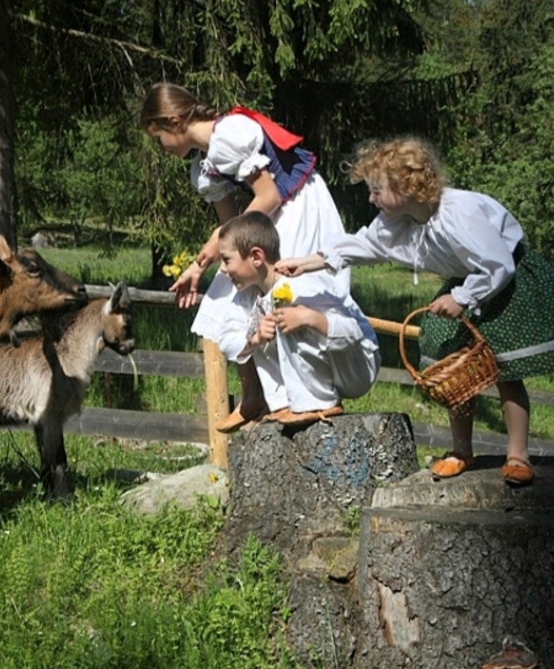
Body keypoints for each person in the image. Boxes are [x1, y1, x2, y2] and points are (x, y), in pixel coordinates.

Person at [277, 136, 554, 486]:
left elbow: (497, 264)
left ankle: (518, 455)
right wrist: (305, 263)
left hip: (500, 283)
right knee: (453, 368)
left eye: (377, 189)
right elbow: (362, 244)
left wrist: (463, 298)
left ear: (407, 186)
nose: (371, 197)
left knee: (506, 370)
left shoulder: (458, 212)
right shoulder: (398, 222)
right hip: (466, 284)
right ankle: (461, 450)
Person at [139, 81, 349, 429]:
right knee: (226, 297)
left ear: (175, 122)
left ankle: (311, 394)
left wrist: (228, 244)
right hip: (260, 221)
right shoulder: (206, 165)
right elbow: (228, 226)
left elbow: (268, 196)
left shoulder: (231, 135)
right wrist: (199, 266)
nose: (159, 147)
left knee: (290, 295)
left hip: (295, 206)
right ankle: (254, 394)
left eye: (157, 136)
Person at [213, 212, 379, 427]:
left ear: (256, 256)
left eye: (227, 260)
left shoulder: (301, 285)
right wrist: (256, 338)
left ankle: (316, 402)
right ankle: (283, 402)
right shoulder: (248, 293)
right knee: (261, 327)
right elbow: (226, 339)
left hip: (356, 367)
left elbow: (353, 332)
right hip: (333, 367)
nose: (222, 269)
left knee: (287, 318)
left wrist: (310, 318)